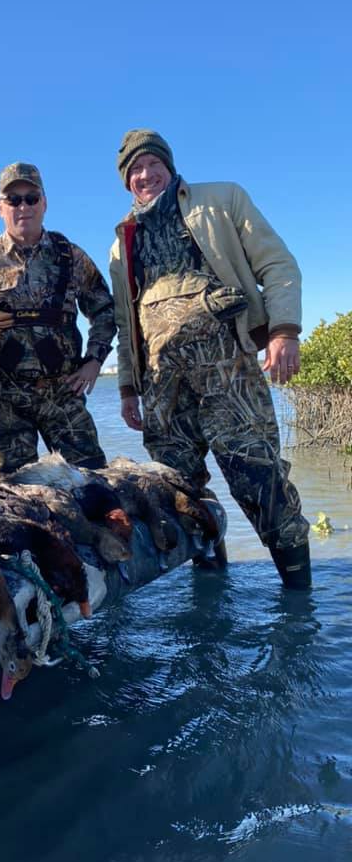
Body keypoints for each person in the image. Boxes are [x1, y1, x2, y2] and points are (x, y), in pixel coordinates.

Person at [109, 129, 311, 588]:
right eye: (135, 169)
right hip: (162, 386)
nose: (145, 174)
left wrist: (283, 331)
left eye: (153, 164)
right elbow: (126, 321)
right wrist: (127, 388)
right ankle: (212, 596)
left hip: (229, 371)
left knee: (257, 476)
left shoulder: (221, 199)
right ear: (126, 182)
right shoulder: (122, 240)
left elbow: (278, 264)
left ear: (169, 166)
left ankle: (300, 604)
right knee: (179, 492)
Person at [0, 162, 116, 477]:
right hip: (4, 396)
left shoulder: (70, 256)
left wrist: (94, 361)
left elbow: (104, 309)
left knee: (92, 480)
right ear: (0, 208)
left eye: (31, 198)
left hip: (63, 391)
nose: (23, 206)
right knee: (17, 487)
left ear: (44, 203)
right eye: (13, 200)